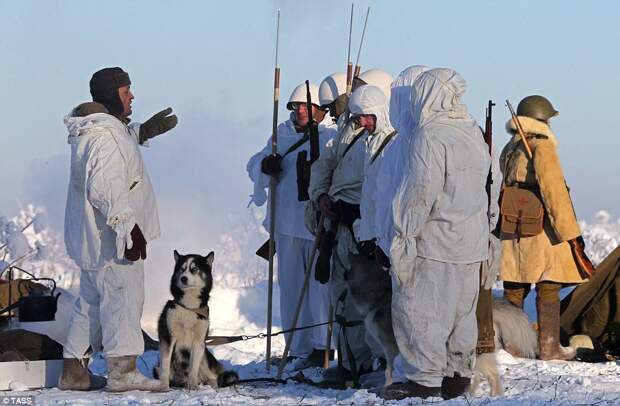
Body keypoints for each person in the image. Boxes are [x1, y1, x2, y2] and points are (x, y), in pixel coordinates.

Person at [60, 67, 177, 391]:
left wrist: (144, 131)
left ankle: (74, 372)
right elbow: (105, 186)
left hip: (92, 240)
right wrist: (128, 229)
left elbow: (117, 147)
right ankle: (123, 373)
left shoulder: (96, 130)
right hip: (113, 241)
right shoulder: (106, 137)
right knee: (123, 299)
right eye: (127, 92)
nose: (133, 96)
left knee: (91, 304)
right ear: (113, 96)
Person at [382, 68, 491, 400]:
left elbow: (419, 192)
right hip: (471, 245)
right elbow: (488, 188)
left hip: (435, 244)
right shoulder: (472, 132)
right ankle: (457, 378)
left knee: (421, 313)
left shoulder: (431, 136)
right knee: (461, 317)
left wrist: (404, 236)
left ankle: (423, 381)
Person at [308, 70, 393, 383]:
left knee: (368, 298)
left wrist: (360, 216)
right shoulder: (347, 129)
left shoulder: (390, 138)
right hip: (341, 225)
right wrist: (320, 197)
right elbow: (325, 165)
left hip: (366, 231)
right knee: (341, 295)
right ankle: (349, 362)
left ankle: (369, 364)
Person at [247, 82, 335, 367]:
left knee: (319, 289)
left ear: (318, 110)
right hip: (286, 224)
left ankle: (322, 346)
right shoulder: (281, 134)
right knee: (291, 287)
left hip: (315, 224)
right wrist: (264, 166)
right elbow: (253, 163)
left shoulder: (331, 136)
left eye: (306, 106)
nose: (300, 111)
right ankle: (296, 347)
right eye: (296, 106)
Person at [499, 95, 589, 360]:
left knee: (514, 286)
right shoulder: (542, 147)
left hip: (514, 226)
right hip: (542, 230)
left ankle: (512, 348)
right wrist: (570, 233)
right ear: (542, 119)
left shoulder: (512, 147)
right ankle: (549, 348)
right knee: (549, 284)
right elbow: (554, 192)